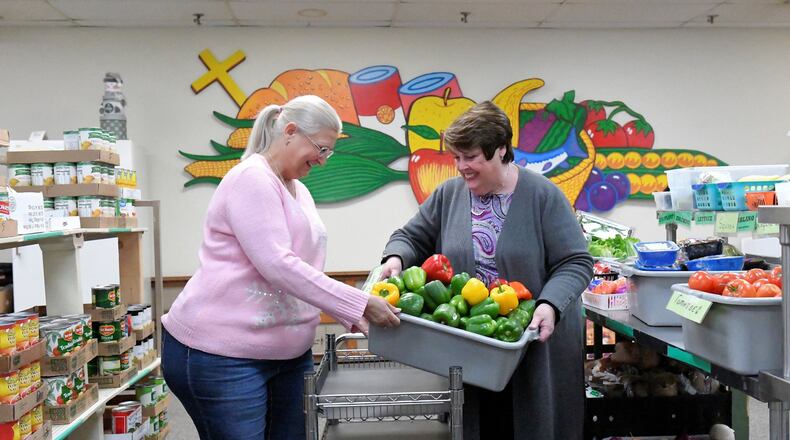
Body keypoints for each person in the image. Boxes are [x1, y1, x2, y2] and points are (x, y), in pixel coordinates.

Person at [162, 95, 401, 440]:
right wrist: (357, 303)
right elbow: (278, 264)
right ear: (290, 131)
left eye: (328, 152)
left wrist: (353, 314)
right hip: (222, 356)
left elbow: (304, 269)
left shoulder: (299, 190)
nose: (322, 161)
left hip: (289, 355)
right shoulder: (251, 179)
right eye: (320, 149)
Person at [379, 101, 593, 439]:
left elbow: (576, 262)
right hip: (471, 344)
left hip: (533, 342)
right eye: (457, 158)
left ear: (501, 150)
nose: (462, 167)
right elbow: (410, 237)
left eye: (472, 157)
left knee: (530, 423)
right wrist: (396, 259)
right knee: (479, 424)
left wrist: (549, 304)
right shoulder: (449, 195)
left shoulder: (544, 197)